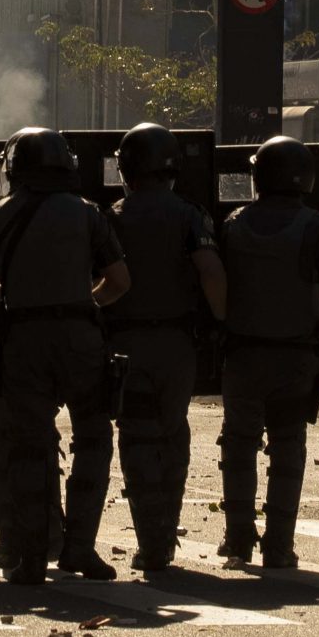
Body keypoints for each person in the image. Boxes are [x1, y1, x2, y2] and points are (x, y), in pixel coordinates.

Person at [0, 126, 128, 586]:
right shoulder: (89, 214)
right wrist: (81, 304)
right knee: (93, 439)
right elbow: (120, 281)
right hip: (81, 337)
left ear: (13, 168)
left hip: (22, 339)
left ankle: (33, 556)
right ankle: (81, 549)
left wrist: (20, 296)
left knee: (31, 447)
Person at [215, 136, 319, 570]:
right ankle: (279, 545)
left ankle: (237, 540)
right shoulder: (317, 228)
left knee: (238, 447)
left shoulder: (234, 223)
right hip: (295, 355)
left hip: (244, 354)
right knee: (288, 449)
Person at [104, 121, 222, 580]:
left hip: (125, 345)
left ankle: (150, 542)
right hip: (177, 345)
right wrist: (223, 324)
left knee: (135, 439)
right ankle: (165, 535)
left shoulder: (111, 216)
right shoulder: (190, 215)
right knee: (173, 436)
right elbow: (210, 270)